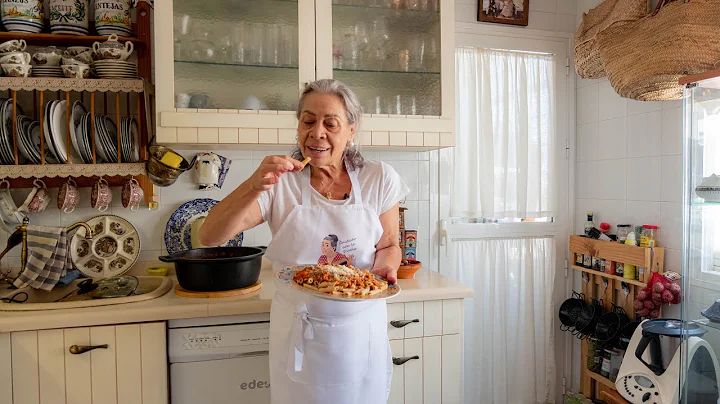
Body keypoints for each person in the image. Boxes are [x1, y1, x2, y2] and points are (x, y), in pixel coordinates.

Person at [199, 79, 410, 404]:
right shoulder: (280, 183)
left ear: (351, 130)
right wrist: (254, 185)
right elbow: (210, 236)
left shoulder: (378, 178)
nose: (317, 132)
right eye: (308, 121)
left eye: (331, 123)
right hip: (298, 330)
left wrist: (384, 270)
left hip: (361, 330)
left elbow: (390, 245)